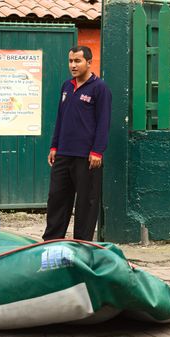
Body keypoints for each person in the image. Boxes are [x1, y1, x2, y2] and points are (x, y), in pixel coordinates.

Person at [42, 46, 112, 241]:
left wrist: (97, 151)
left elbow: (103, 122)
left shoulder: (100, 88)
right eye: (71, 61)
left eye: (77, 61)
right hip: (64, 153)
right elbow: (61, 118)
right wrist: (54, 146)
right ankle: (51, 241)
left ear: (89, 62)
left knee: (86, 202)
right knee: (57, 198)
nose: (73, 65)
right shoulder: (66, 86)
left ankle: (82, 243)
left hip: (87, 157)